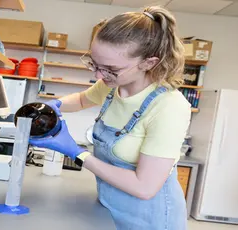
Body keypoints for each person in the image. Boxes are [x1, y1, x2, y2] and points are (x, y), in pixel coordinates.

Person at [29, 6, 190, 230]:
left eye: (110, 69)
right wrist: (51, 106)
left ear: (149, 62)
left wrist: (77, 153)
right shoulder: (113, 84)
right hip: (109, 207)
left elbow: (144, 187)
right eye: (94, 64)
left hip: (149, 219)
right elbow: (83, 100)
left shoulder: (168, 106)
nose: (98, 75)